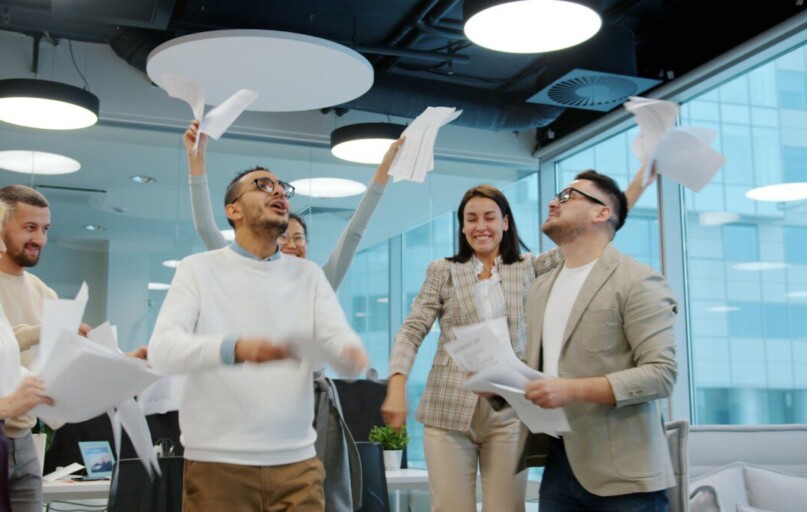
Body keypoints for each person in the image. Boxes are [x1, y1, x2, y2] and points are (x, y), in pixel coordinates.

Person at [381, 167, 652, 512]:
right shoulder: (442, 270)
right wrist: (396, 385)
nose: (481, 226)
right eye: (471, 219)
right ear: (462, 227)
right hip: (448, 409)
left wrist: (638, 182)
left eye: (490, 217)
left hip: (509, 410)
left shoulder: (530, 266)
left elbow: (594, 230)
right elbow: (412, 329)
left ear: (505, 222)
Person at [148, 164, 370, 511]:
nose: (279, 192)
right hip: (218, 466)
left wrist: (351, 354)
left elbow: (338, 338)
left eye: (282, 187)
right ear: (233, 210)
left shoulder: (308, 275)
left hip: (299, 466)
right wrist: (234, 348)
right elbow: (162, 351)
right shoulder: (197, 269)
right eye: (263, 185)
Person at [520, 170, 677, 512]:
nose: (552, 201)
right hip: (559, 464)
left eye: (566, 196)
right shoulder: (540, 288)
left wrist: (571, 390)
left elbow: (661, 375)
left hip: (625, 473)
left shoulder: (638, 280)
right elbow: (542, 371)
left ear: (601, 212)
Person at [184, 119, 403, 290]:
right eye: (283, 238)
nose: (291, 245)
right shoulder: (239, 270)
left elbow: (354, 234)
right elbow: (205, 227)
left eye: (298, 238)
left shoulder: (317, 283)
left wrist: (385, 169)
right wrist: (197, 160)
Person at [0, 198, 54, 512]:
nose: (40, 239)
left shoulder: (45, 294)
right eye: (30, 227)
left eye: (45, 229)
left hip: (24, 437)